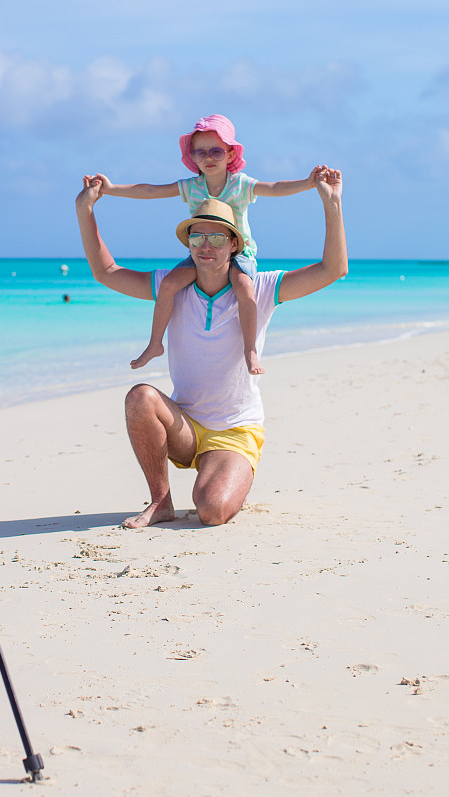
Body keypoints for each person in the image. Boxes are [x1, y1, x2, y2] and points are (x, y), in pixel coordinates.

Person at [75, 166, 346, 530]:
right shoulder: (171, 288)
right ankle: (160, 502)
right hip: (185, 424)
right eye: (197, 238)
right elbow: (106, 272)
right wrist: (85, 211)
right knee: (140, 397)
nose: (205, 246)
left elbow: (333, 269)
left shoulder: (261, 289)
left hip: (234, 431)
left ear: (234, 244)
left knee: (211, 511)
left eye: (217, 239)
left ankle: (223, 471)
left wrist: (332, 204)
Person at [86, 114, 321, 374]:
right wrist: (112, 188)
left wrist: (309, 183)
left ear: (231, 155)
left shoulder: (240, 185)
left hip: (239, 253)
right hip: (203, 252)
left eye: (217, 151)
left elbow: (275, 188)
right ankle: (155, 344)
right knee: (168, 286)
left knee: (244, 287)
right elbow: (152, 190)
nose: (208, 157)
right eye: (200, 152)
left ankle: (250, 350)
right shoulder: (192, 187)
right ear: (193, 157)